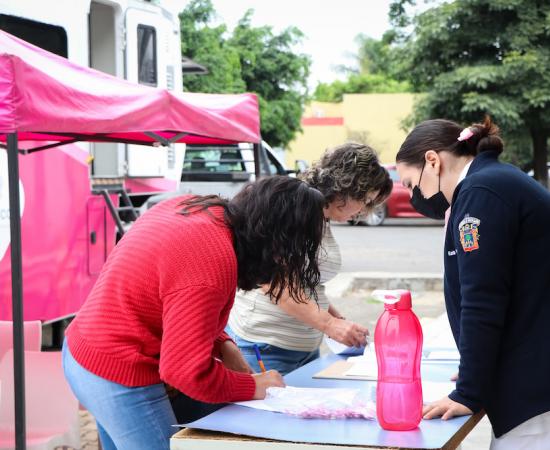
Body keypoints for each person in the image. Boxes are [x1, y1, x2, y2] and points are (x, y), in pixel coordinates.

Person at [63, 176, 327, 450]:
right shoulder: (211, 262)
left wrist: (224, 344)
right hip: (115, 366)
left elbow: (176, 301)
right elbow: (185, 372)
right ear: (277, 242)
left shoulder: (199, 208)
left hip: (85, 348)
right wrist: (253, 386)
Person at [395, 117, 550, 449]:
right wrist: (473, 371)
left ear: (432, 161)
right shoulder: (493, 182)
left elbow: (483, 299)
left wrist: (468, 391)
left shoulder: (480, 193)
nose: (414, 196)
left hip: (533, 389)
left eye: (410, 184)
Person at [226, 142, 392, 375]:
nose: (363, 210)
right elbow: (277, 285)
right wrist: (331, 324)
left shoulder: (321, 218)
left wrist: (336, 319)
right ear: (347, 185)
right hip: (267, 345)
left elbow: (306, 282)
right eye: (364, 200)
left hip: (302, 347)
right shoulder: (294, 207)